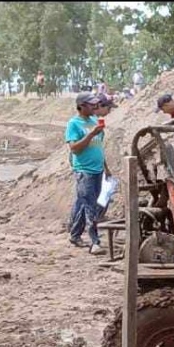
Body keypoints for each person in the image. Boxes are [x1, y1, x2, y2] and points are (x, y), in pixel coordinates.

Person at [65, 91, 106, 254]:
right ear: (81, 106)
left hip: (98, 169)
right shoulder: (73, 124)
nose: (95, 106)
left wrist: (106, 167)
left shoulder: (94, 120)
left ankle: (75, 235)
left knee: (84, 203)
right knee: (91, 207)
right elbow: (74, 148)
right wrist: (91, 134)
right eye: (91, 104)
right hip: (84, 171)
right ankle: (95, 242)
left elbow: (99, 145)